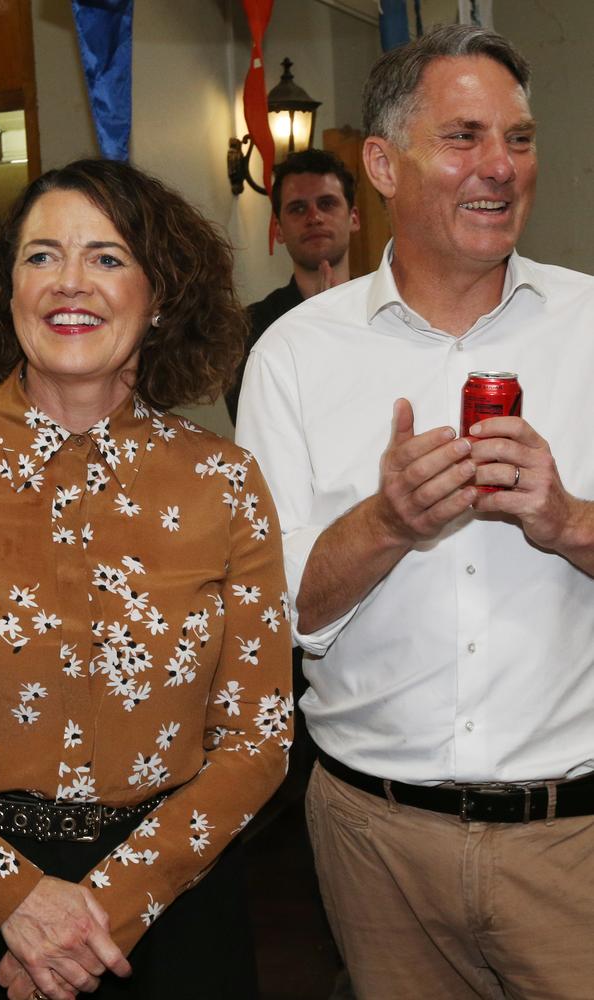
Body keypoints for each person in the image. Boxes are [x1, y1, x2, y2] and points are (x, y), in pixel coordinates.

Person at [236, 23, 594, 1000]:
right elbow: (275, 613)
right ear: (384, 165)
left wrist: (566, 520)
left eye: (517, 140)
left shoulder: (590, 327)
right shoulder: (293, 358)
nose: (498, 168)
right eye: (464, 137)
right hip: (373, 845)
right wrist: (384, 523)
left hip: (574, 842)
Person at [0, 158, 292, 1000]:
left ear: (160, 293)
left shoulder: (227, 481)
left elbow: (260, 737)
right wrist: (12, 897)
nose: (71, 283)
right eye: (41, 257)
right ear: (8, 287)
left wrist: (104, 912)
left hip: (173, 910)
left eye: (106, 257)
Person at [225, 148, 359, 423]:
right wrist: (316, 330)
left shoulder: (390, 310)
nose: (314, 217)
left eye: (327, 203)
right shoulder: (247, 329)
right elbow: (256, 427)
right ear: (279, 230)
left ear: (354, 218)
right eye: (298, 208)